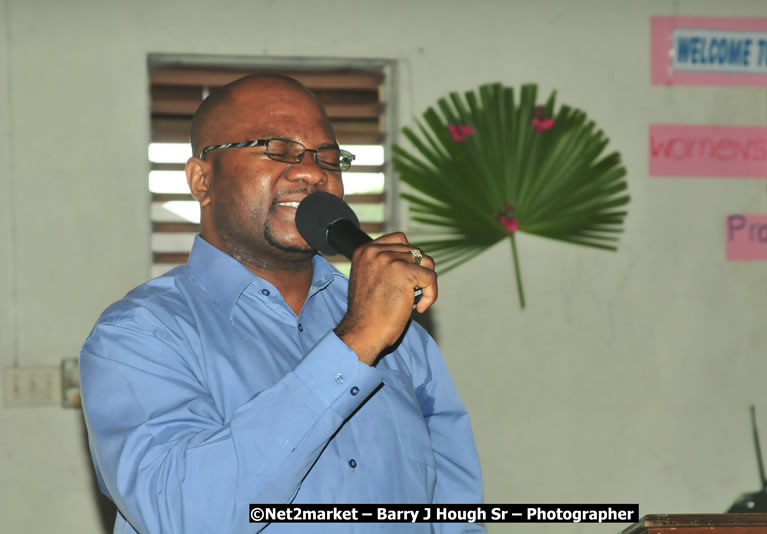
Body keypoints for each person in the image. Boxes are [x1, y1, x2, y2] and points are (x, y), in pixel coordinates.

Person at [80, 74, 484, 533]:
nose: (312, 172)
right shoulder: (138, 334)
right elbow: (186, 515)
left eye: (327, 157)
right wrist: (353, 346)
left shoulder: (401, 334)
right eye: (277, 150)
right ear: (201, 180)